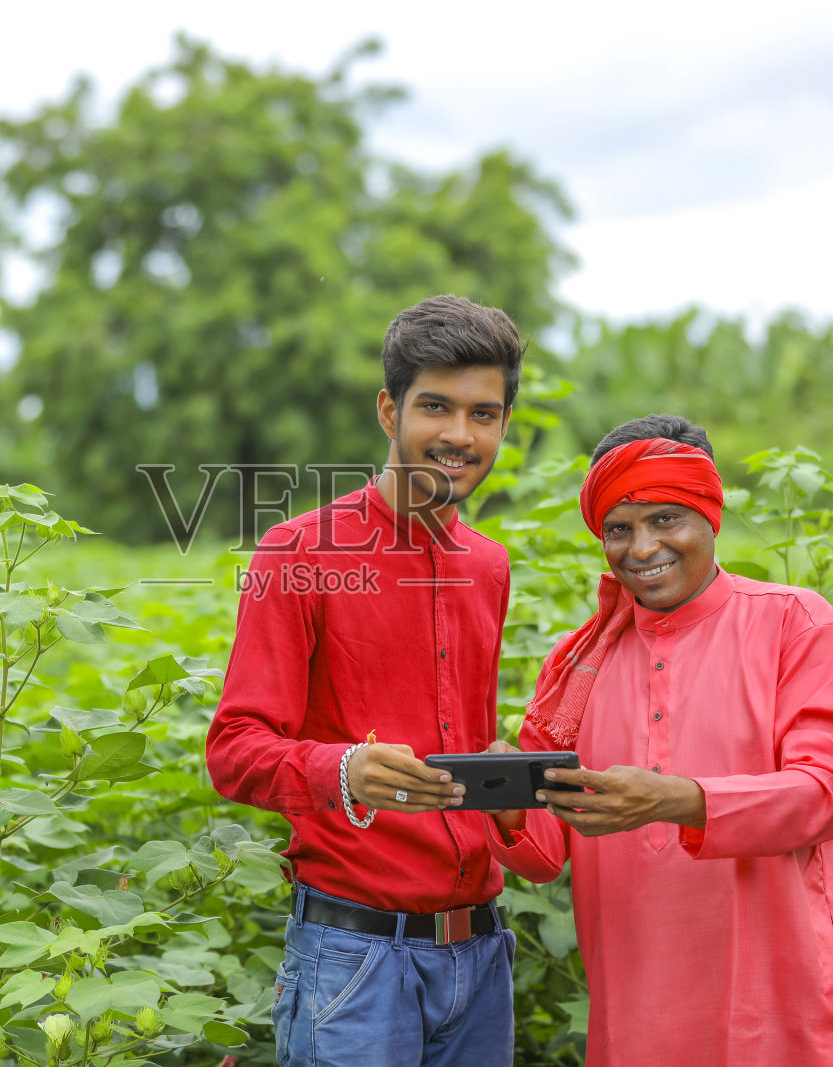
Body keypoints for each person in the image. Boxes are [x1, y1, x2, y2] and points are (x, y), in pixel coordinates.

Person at [489, 413, 833, 1066]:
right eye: (619, 528)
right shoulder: (579, 662)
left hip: (785, 1011)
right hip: (637, 1015)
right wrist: (504, 801)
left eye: (665, 519)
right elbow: (543, 851)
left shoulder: (801, 625)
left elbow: (829, 792)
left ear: (710, 516)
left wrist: (675, 799)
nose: (641, 548)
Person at [206, 295, 524, 1067]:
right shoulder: (299, 552)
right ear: (389, 410)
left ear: (504, 424)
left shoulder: (489, 565)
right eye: (436, 406)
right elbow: (233, 749)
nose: (460, 434)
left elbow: (468, 739)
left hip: (481, 957)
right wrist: (342, 768)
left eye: (483, 413)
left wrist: (509, 779)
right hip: (355, 963)